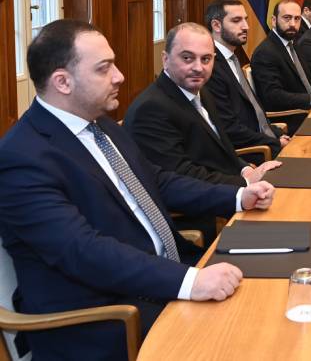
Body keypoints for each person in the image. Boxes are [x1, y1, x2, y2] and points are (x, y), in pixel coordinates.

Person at [0, 19, 276, 359]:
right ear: (63, 82)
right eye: (104, 68)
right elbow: (83, 251)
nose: (119, 76)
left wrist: (237, 196)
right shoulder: (22, 158)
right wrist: (190, 282)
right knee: (250, 341)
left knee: (272, 295)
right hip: (106, 314)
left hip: (160, 276)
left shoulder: (100, 125)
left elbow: (156, 180)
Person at [125, 23, 280, 188]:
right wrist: (246, 182)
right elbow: (181, 176)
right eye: (187, 58)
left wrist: (245, 169)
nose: (198, 68)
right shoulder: (150, 109)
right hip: (207, 198)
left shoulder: (202, 91)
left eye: (206, 59)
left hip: (228, 184)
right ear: (165, 59)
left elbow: (221, 147)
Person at [203, 0, 288, 160]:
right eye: (236, 20)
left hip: (263, 141)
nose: (246, 26)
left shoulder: (232, 58)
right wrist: (273, 142)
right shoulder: (210, 66)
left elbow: (253, 111)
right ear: (216, 25)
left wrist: (275, 134)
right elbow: (229, 128)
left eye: (245, 19)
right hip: (250, 154)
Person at [251, 0, 311, 132]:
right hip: (293, 119)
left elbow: (302, 80)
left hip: (310, 110)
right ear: (274, 20)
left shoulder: (293, 43)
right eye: (287, 18)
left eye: (297, 19)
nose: (292, 24)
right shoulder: (265, 52)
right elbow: (273, 96)